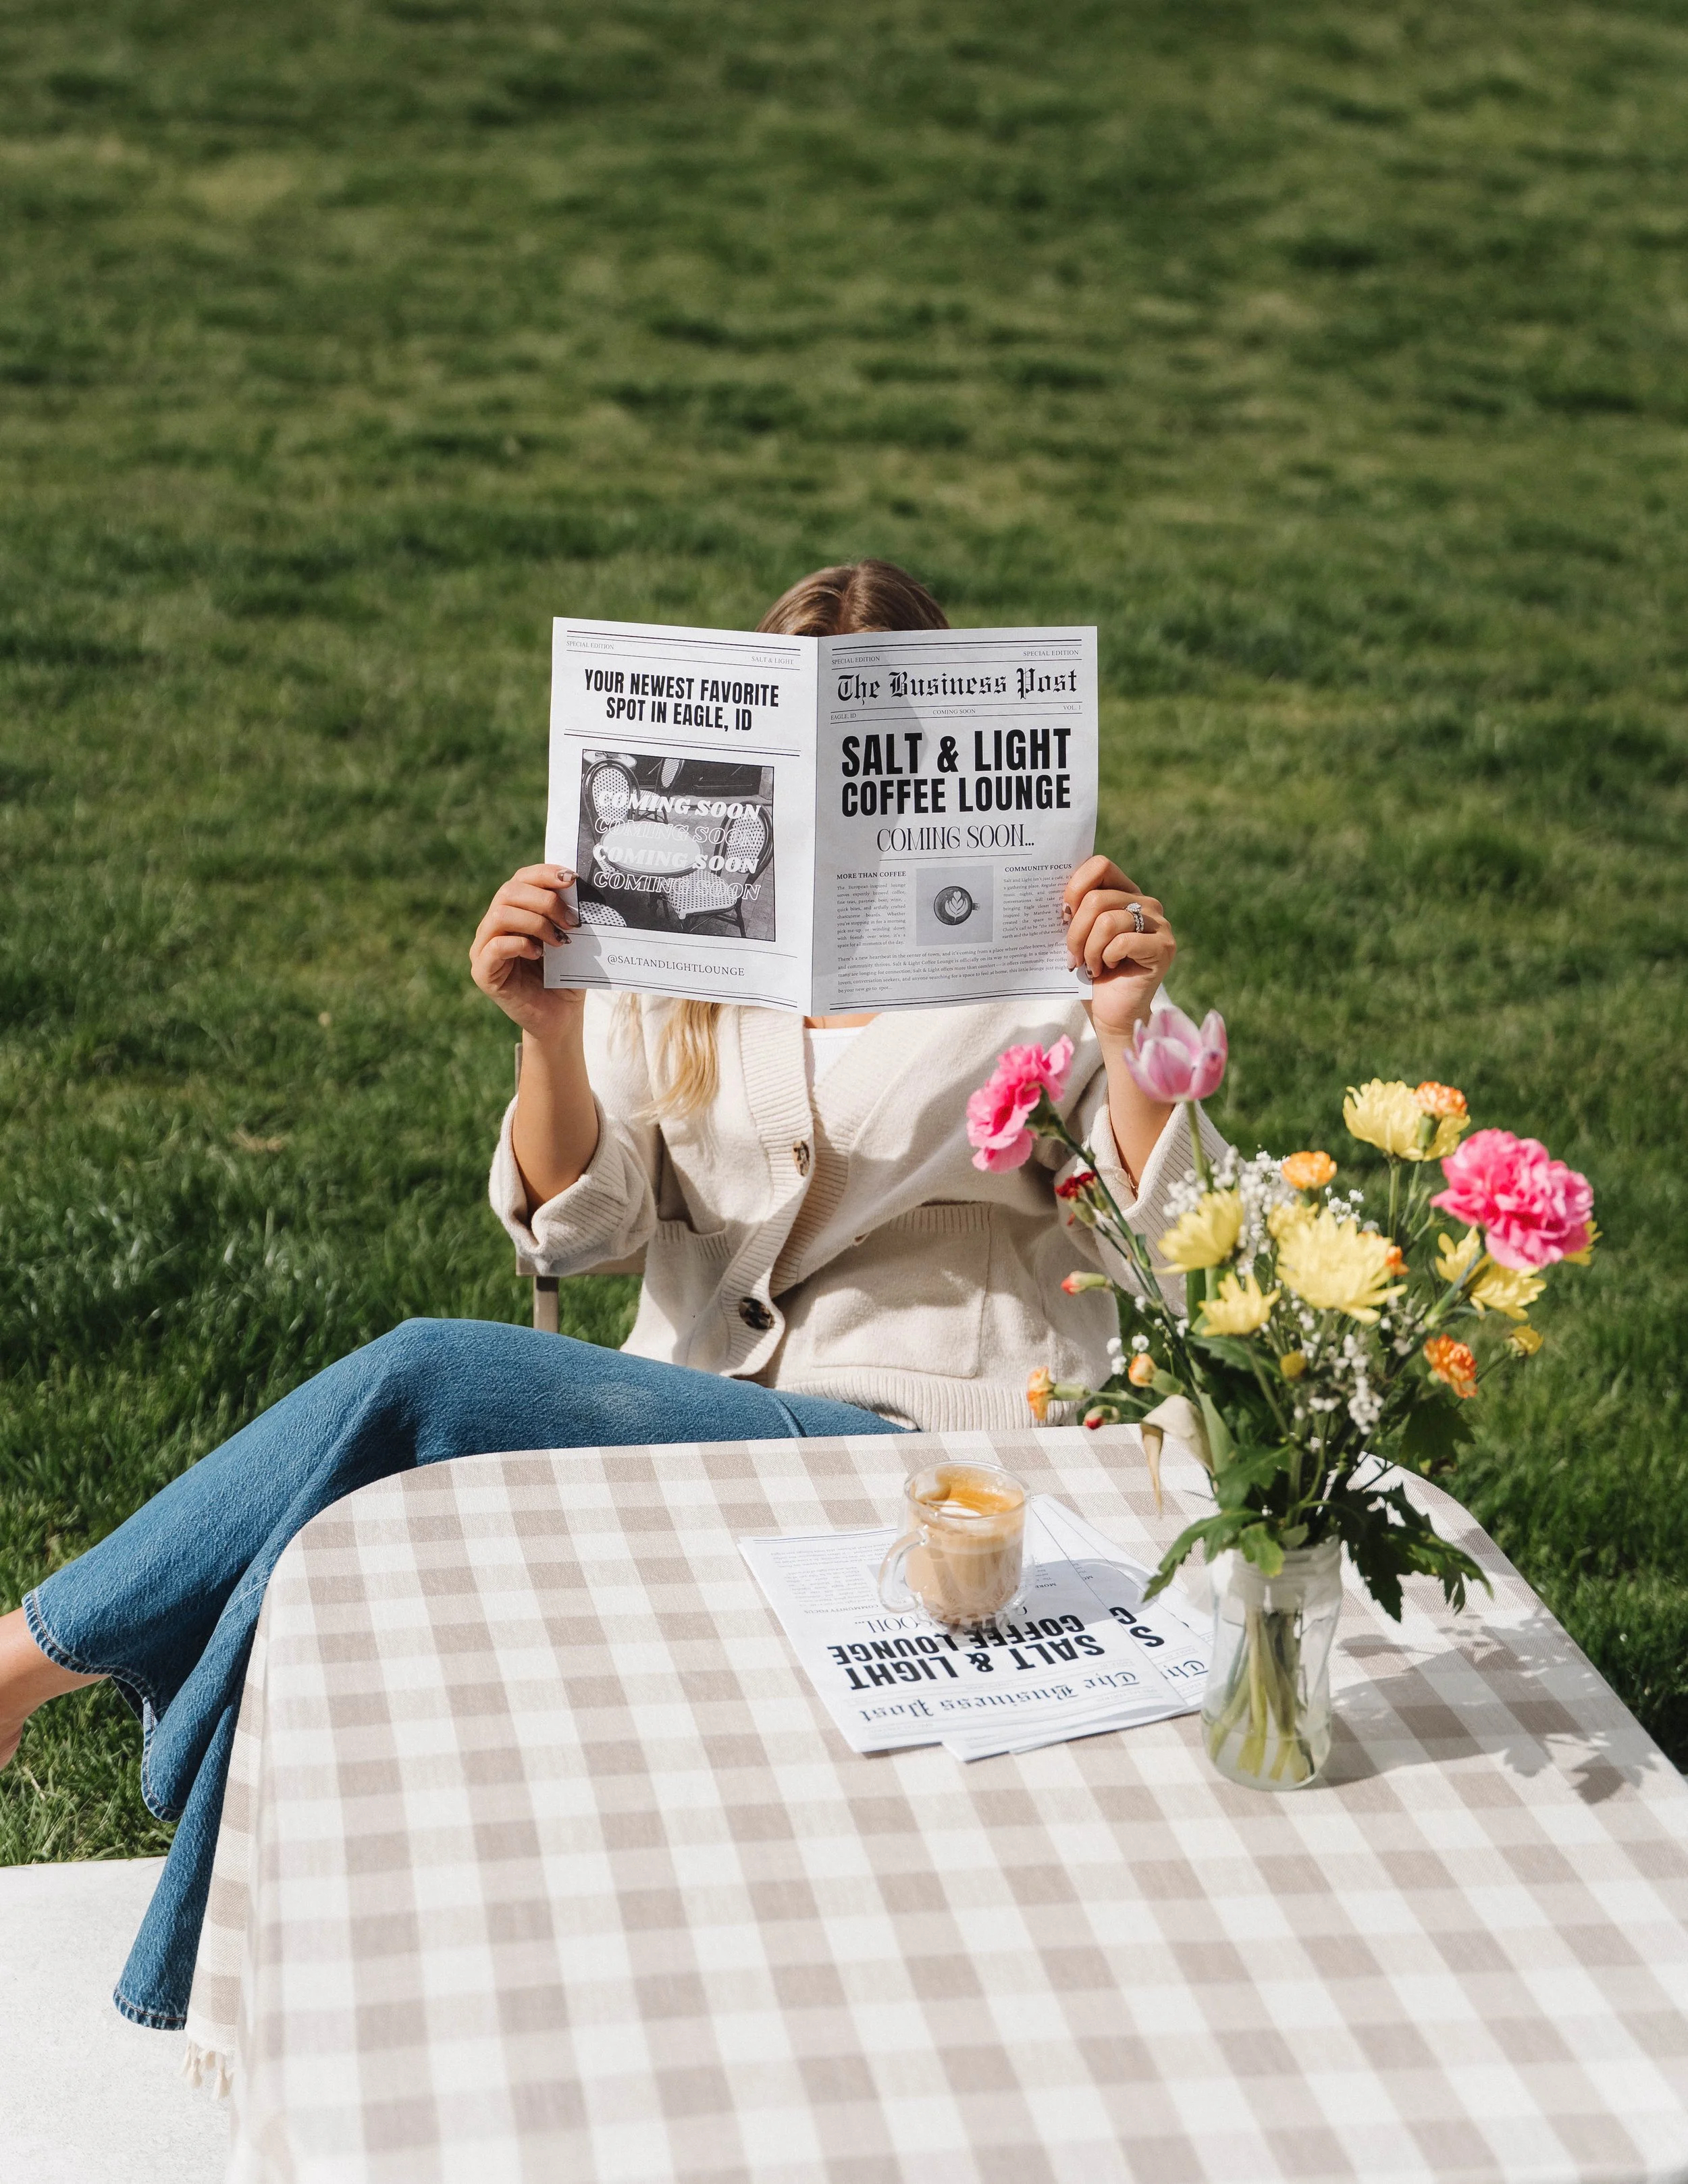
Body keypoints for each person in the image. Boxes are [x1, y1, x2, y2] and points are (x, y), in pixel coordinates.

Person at [0, 558, 1217, 2031]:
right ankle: (177, 1964)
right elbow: (585, 1230)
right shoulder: (681, 954)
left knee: (428, 1381)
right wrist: (548, 1033)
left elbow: (1183, 1249)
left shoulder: (1044, 967)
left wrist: (1129, 1032)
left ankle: (28, 1669)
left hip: (927, 1453)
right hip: (696, 1421)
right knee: (354, 1514)